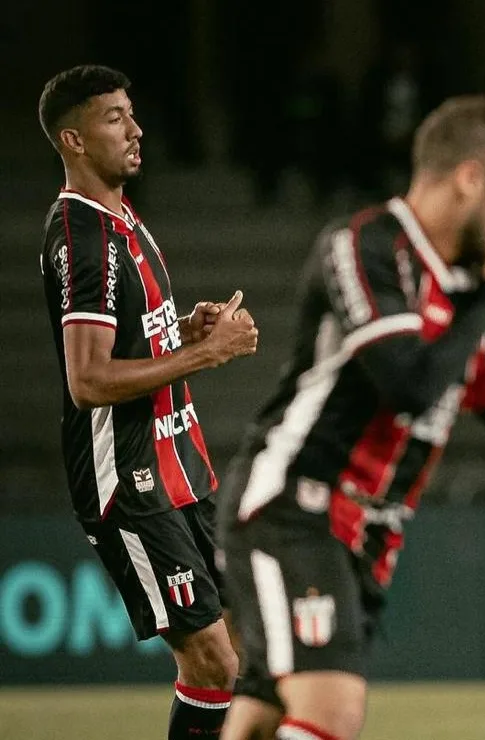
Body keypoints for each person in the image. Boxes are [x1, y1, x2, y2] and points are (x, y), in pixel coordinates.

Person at [217, 96, 485, 740]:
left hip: (367, 533)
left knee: (264, 718)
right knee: (332, 710)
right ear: (471, 179)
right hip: (294, 506)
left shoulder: (477, 285)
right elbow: (409, 384)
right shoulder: (364, 247)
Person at [37, 65, 259, 739]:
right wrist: (208, 354)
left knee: (242, 650)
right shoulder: (85, 238)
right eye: (114, 118)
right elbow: (89, 381)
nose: (136, 129)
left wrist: (180, 330)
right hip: (126, 478)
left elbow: (127, 342)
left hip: (178, 469)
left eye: (132, 114)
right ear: (73, 140)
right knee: (211, 658)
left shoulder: (122, 217)